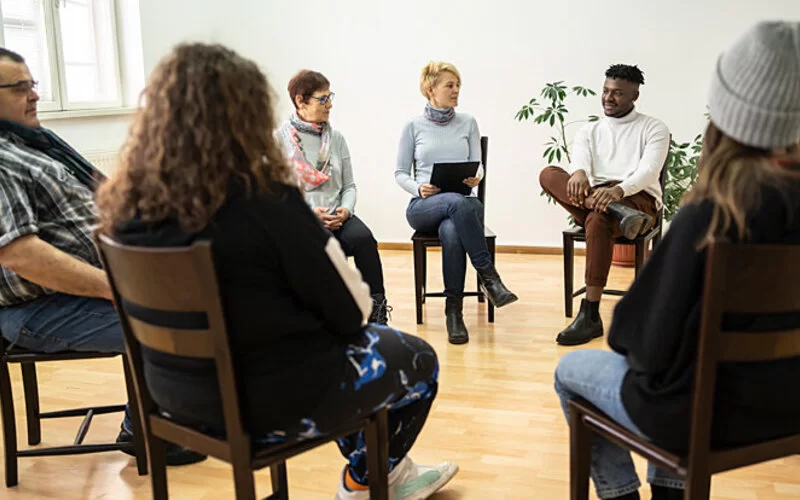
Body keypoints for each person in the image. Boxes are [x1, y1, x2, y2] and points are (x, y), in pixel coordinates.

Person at [97, 43, 459, 499]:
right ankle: (363, 479)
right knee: (416, 358)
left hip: (171, 399)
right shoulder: (266, 201)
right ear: (246, 117)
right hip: (262, 408)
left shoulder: (127, 210)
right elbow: (352, 314)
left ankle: (390, 470)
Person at [554, 21, 800, 500]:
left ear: (726, 114)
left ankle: (621, 494)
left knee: (572, 373)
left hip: (700, 411)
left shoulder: (711, 214)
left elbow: (634, 340)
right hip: (787, 403)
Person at [0, 47, 204, 466]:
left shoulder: (31, 144)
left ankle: (161, 416)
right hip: (38, 309)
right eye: (20, 88)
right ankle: (147, 428)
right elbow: (20, 254)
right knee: (182, 320)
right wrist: (116, 287)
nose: (33, 95)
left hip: (77, 292)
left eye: (33, 84)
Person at [539, 64, 670, 346]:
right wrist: (579, 173)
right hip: (598, 197)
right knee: (549, 174)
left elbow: (649, 171)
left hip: (638, 198)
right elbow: (581, 161)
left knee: (596, 220)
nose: (608, 98)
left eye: (618, 94)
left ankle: (590, 314)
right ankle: (617, 214)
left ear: (634, 95)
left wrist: (619, 190)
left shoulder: (654, 128)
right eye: (606, 91)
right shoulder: (590, 130)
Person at [395, 61, 517, 345]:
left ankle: (454, 313)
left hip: (463, 203)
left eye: (458, 85)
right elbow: (399, 173)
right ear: (430, 89)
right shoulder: (412, 126)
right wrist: (418, 187)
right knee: (454, 205)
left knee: (452, 229)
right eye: (449, 85)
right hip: (424, 207)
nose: (456, 90)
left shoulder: (468, 122)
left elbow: (479, 165)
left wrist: (476, 177)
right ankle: (490, 278)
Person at [279, 70, 391, 324]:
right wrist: (309, 213)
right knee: (326, 249)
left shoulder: (336, 139)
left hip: (339, 213)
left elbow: (349, 186)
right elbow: (277, 194)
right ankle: (335, 316)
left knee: (364, 240)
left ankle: (377, 315)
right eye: (322, 99)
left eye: (330, 97)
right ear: (300, 101)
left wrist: (346, 210)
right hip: (304, 219)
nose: (329, 104)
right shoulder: (280, 141)